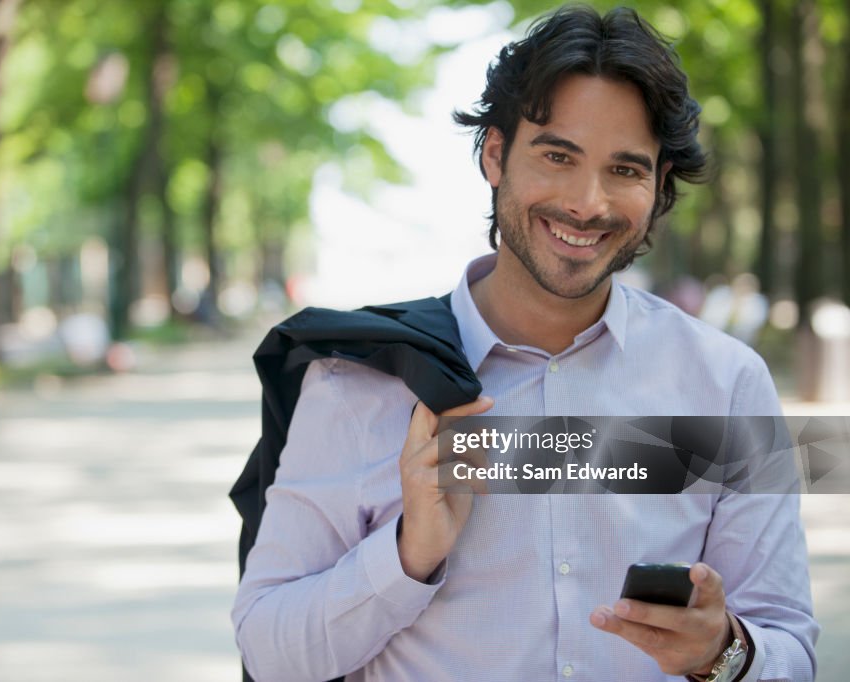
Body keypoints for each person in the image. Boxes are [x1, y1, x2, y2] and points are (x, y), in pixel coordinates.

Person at [232, 5, 818, 681]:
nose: (587, 202)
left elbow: (789, 652)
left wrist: (723, 653)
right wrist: (405, 555)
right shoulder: (357, 384)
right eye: (557, 156)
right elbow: (268, 651)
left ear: (660, 190)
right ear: (494, 154)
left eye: (625, 170)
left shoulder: (727, 386)